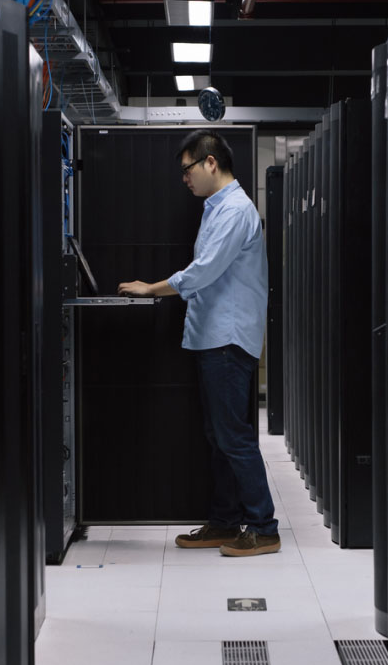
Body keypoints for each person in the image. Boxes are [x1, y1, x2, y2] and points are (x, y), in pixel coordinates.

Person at [117, 130, 279, 556]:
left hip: (227, 339)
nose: (184, 178)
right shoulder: (216, 208)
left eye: (188, 169)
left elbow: (204, 270)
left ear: (211, 163)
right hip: (214, 337)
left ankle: (264, 526)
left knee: (233, 437)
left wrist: (152, 287)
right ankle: (226, 521)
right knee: (219, 435)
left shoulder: (235, 210)